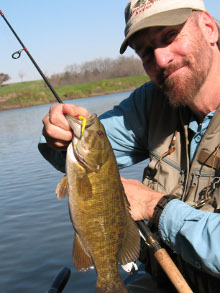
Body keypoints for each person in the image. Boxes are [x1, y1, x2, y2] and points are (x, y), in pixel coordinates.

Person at [38, 0, 220, 292]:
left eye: (169, 36)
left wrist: (155, 207)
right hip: (162, 280)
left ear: (209, 28)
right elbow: (86, 152)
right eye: (146, 52)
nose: (160, 59)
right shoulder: (154, 100)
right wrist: (58, 137)